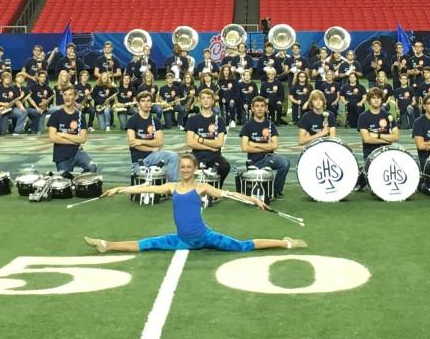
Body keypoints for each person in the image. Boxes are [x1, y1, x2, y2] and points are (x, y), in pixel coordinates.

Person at [83, 153, 305, 253]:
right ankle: (106, 245)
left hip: (204, 237)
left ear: (195, 169)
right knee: (146, 243)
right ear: (179, 168)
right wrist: (119, 189)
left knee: (243, 245)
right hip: (182, 240)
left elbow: (228, 194)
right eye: (183, 167)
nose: (186, 169)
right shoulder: (172, 187)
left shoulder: (202, 187)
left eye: (189, 167)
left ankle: (285, 243)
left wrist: (253, 199)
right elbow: (145, 187)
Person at [240, 96, 289, 199]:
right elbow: (245, 147)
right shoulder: (247, 126)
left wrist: (255, 144)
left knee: (285, 163)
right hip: (254, 161)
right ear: (252, 108)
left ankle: (276, 191)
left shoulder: (271, 125)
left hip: (269, 157)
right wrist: (267, 147)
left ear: (266, 108)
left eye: (262, 106)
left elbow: (275, 145)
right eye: (257, 106)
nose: (260, 109)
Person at [125, 90, 179, 182]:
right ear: (138, 104)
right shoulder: (132, 120)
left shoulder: (155, 120)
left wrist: (141, 141)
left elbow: (160, 141)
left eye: (148, 100)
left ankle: (171, 186)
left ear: (151, 103)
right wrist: (152, 148)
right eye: (143, 101)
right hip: (139, 160)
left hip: (154, 156)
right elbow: (133, 143)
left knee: (173, 156)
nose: (146, 103)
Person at [184, 87, 230, 188]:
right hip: (197, 155)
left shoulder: (219, 120)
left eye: (208, 98)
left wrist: (200, 139)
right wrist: (210, 146)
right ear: (199, 100)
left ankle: (217, 187)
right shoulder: (193, 119)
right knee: (186, 167)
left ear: (213, 101)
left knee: (225, 166)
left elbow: (219, 144)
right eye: (203, 98)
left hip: (215, 156)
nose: (206, 100)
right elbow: (190, 142)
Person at [48, 85, 98, 173]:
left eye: (70, 95)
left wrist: (63, 134)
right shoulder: (55, 115)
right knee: (65, 179)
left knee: (92, 167)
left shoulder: (80, 116)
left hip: (77, 153)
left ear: (75, 97)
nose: (67, 97)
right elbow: (53, 138)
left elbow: (82, 139)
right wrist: (75, 141)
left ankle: (80, 183)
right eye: (65, 95)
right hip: (61, 155)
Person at [357, 87, 399, 163]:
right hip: (370, 155)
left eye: (378, 98)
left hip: (387, 154)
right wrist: (386, 141)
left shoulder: (388, 116)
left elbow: (396, 137)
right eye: (373, 98)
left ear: (381, 99)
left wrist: (378, 135)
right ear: (369, 100)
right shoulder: (363, 117)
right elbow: (367, 139)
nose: (376, 100)